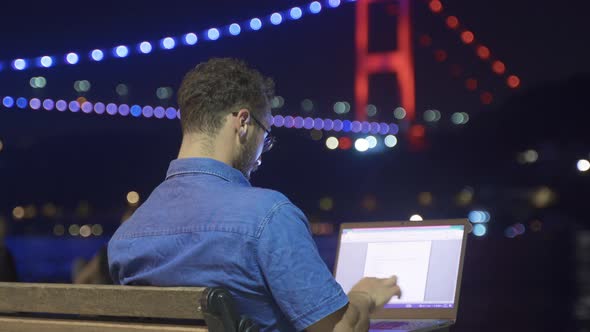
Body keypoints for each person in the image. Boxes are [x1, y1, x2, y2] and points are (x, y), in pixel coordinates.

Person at [108, 58, 400, 331]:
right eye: (266, 134)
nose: (262, 152)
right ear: (243, 123)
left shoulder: (126, 236)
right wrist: (364, 296)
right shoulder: (269, 216)